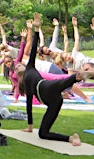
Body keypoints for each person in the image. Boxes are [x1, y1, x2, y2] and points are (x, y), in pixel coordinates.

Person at [19, 13, 94, 146]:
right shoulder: (28, 76)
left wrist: (36, 29)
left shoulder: (29, 70)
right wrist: (30, 126)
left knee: (62, 82)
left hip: (46, 88)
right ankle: (71, 138)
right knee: (43, 133)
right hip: (53, 99)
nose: (19, 65)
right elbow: (28, 106)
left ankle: (79, 76)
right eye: (19, 66)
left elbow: (32, 49)